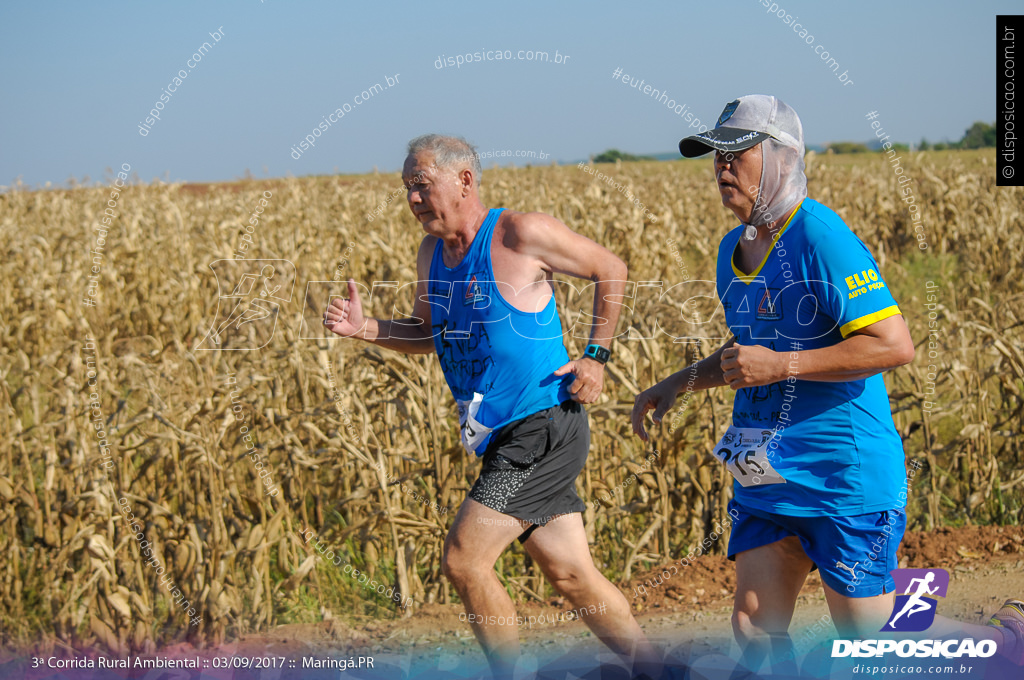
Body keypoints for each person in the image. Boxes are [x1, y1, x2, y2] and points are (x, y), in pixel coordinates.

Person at [630, 95, 1023, 670]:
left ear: (783, 159)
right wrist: (676, 383)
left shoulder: (821, 237)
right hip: (767, 473)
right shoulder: (729, 252)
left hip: (844, 471)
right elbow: (749, 352)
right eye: (716, 155)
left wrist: (781, 367)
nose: (721, 167)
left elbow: (894, 344)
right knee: (753, 625)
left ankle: (1005, 641)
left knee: (871, 633)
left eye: (737, 153)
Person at [325, 134, 660, 679]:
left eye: (421, 185)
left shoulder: (520, 234)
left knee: (465, 559)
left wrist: (595, 356)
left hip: (541, 424)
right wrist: (364, 329)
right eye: (406, 188)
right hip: (505, 436)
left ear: (464, 180)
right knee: (573, 575)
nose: (411, 199)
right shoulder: (432, 254)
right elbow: (428, 333)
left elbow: (612, 268)